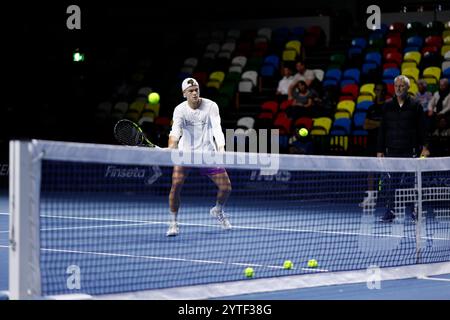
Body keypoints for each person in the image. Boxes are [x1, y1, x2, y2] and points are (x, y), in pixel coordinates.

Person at [166, 78, 232, 236]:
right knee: (176, 185)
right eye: (191, 91)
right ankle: (173, 223)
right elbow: (175, 132)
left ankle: (218, 210)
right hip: (185, 154)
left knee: (226, 188)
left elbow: (217, 128)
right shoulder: (180, 110)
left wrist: (221, 148)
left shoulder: (211, 106)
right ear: (184, 94)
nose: (194, 93)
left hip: (207, 153)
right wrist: (171, 146)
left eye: (196, 89)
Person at [377, 75, 430, 222]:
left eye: (401, 86)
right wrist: (380, 150)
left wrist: (425, 147)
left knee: (412, 184)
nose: (398, 88)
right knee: (390, 184)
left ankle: (415, 211)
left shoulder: (415, 105)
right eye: (396, 86)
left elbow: (423, 128)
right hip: (391, 151)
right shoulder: (387, 105)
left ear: (407, 88)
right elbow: (383, 129)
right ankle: (390, 212)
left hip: (410, 151)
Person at [359, 83, 387, 207]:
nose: (378, 92)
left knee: (385, 170)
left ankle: (387, 197)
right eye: (377, 90)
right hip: (371, 143)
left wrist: (373, 123)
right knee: (370, 170)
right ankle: (370, 196)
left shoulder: (387, 107)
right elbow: (365, 125)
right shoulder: (371, 108)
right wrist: (378, 123)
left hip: (383, 142)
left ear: (384, 92)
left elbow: (386, 125)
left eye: (381, 90)